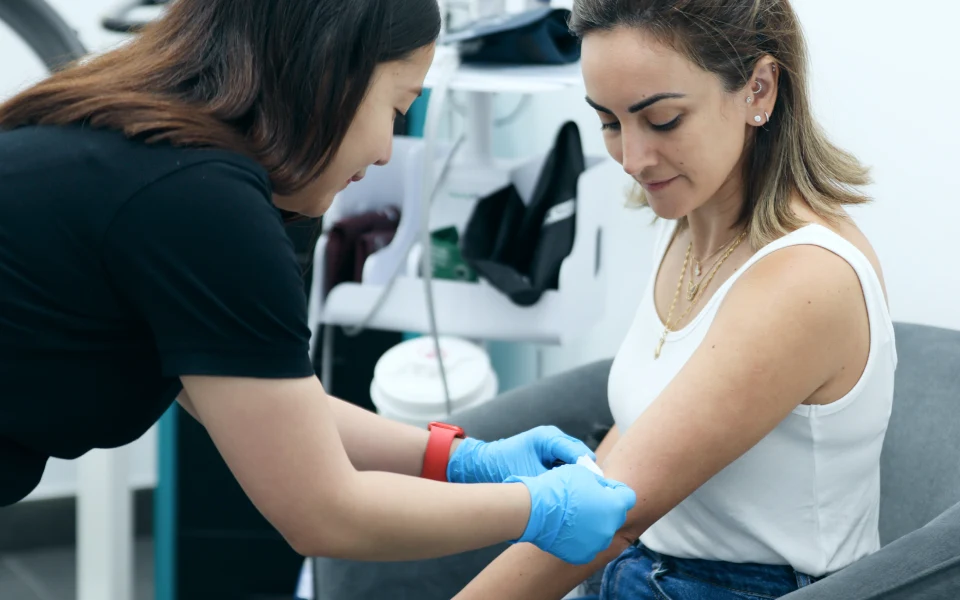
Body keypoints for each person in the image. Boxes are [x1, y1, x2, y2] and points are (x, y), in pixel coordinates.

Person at [0, 0, 635, 566]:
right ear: (332, 72)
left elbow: (269, 407)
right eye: (396, 107)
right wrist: (535, 510)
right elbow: (323, 510)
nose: (388, 150)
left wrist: (459, 459)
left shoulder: (143, 144)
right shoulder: (200, 200)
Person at [444, 0, 899, 598]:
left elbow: (611, 514)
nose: (633, 159)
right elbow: (629, 463)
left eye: (661, 120)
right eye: (609, 122)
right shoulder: (689, 223)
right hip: (635, 567)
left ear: (758, 89)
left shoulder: (807, 277)